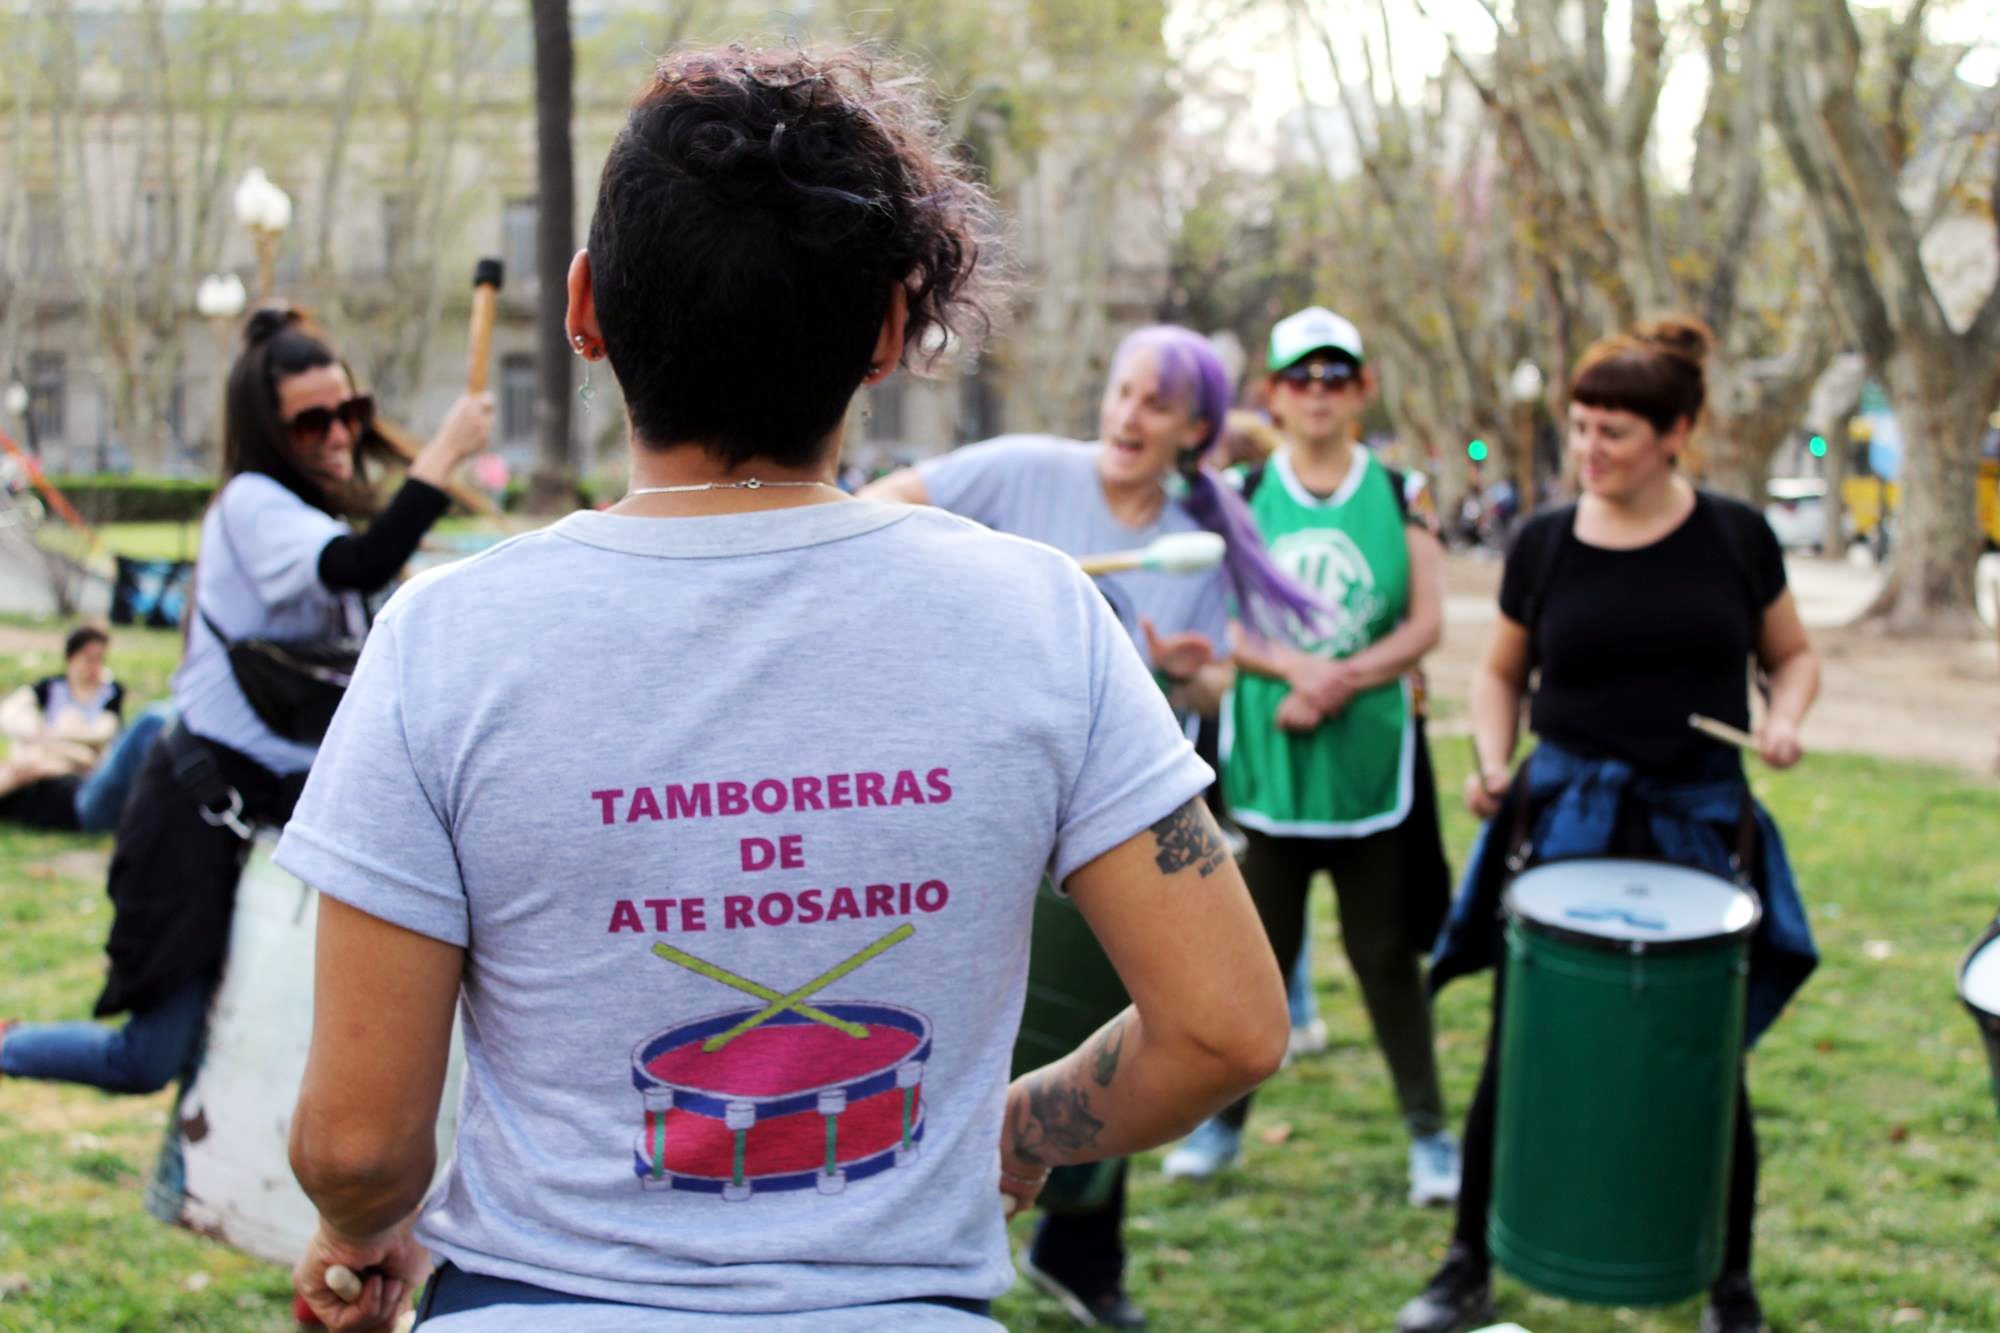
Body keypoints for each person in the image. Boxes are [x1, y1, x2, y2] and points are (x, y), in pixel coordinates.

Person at [278, 46, 1288, 1333]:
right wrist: (1020, 1130)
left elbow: (359, 1143)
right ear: (889, 333)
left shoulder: (444, 640)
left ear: (585, 308)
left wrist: (359, 1229)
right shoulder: (1042, 619)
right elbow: (1225, 1027)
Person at [861, 323, 1318, 1329]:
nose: (1128, 415)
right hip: (980, 795)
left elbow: (1211, 679)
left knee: (1111, 1030)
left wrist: (1190, 673)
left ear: (1193, 428)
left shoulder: (1200, 530)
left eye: (1156, 403)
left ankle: (1078, 1250)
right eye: (1121, 391)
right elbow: (876, 512)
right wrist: (983, 582)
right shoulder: (1023, 471)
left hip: (1108, 818)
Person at [1396, 316, 1820, 1333]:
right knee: (1519, 1043)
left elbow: (1792, 656)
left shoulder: (1735, 536)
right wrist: (1490, 760)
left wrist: (1786, 719)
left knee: (1704, 1052)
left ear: (1675, 434)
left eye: (1613, 432)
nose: (1587, 448)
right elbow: (1499, 674)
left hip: (1697, 822)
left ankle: (1729, 1282)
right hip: (1567, 819)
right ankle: (1465, 1263)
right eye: (1580, 426)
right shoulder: (1543, 541)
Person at [0, 307, 491, 1097]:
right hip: (194, 815)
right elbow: (361, 563)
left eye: (350, 411)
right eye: (311, 422)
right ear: (269, 431)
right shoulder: (255, 503)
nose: (339, 433)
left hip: (267, 816)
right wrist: (447, 451)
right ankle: (10, 1045)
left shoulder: (308, 509)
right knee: (147, 1057)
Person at [1161, 307, 1460, 1212]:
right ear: (1275, 395)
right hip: (1269, 769)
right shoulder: (1242, 493)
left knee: (1385, 958)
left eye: (1336, 376)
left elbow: (1425, 621)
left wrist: (1339, 680)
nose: (1319, 393)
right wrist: (1294, 670)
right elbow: (1218, 619)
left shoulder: (1402, 491)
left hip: (1370, 770)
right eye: (1301, 377)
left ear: (1364, 388)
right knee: (1254, 961)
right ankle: (1220, 1126)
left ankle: (1429, 1133)